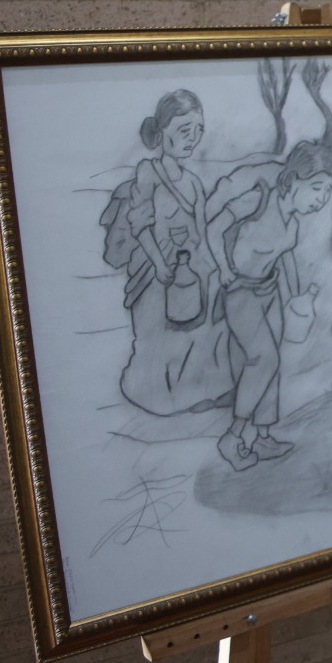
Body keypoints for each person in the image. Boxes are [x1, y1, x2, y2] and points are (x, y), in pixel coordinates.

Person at [206, 141, 332, 471]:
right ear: (292, 181)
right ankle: (233, 437)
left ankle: (262, 436)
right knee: (264, 359)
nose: (322, 198)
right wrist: (222, 267)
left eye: (328, 190)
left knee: (271, 364)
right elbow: (215, 227)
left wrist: (295, 295)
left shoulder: (293, 220)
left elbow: (284, 256)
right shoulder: (259, 198)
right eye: (317, 188)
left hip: (268, 291)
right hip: (239, 290)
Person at [103, 89, 233, 417]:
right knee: (157, 335)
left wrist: (216, 269)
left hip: (187, 268)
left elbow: (202, 233)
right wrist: (160, 265)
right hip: (153, 269)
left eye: (198, 131)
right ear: (161, 134)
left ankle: (200, 390)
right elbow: (140, 224)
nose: (192, 139)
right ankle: (152, 396)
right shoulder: (148, 172)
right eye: (184, 131)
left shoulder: (193, 182)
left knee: (199, 327)